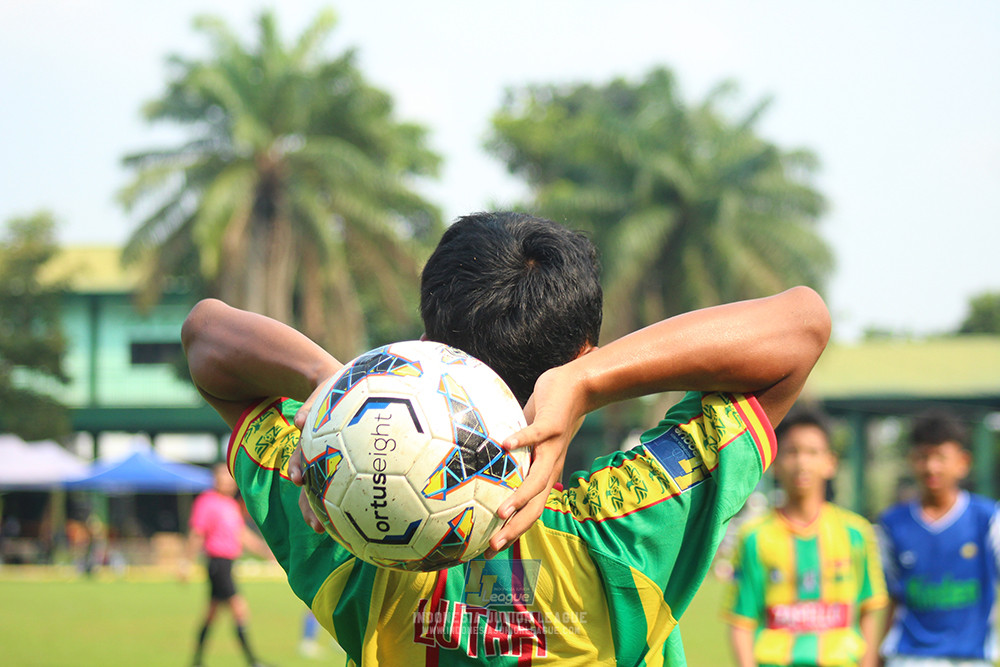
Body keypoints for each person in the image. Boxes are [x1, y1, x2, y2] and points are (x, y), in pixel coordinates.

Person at [181, 211, 831, 664]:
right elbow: (802, 324)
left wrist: (343, 390)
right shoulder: (629, 525)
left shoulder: (343, 533)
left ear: (431, 345)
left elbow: (205, 334)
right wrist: (589, 380)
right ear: (584, 347)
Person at [724, 409, 888, 667]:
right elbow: (742, 621)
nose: (802, 463)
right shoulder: (754, 536)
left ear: (830, 463)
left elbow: (868, 610)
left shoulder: (857, 532)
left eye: (812, 452)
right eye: (792, 452)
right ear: (775, 464)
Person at [877, 410, 1000, 667]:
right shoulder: (891, 523)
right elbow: (888, 597)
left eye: (941, 457)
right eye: (924, 457)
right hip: (908, 657)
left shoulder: (988, 519)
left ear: (963, 462)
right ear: (912, 460)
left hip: (971, 657)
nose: (932, 467)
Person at [182, 462, 274, 667]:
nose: (227, 480)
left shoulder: (231, 505)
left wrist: (266, 552)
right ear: (215, 479)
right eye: (222, 475)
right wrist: (186, 563)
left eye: (229, 476)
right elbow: (197, 533)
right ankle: (253, 661)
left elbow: (242, 535)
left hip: (227, 564)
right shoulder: (207, 502)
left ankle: (196, 661)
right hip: (218, 564)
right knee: (240, 610)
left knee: (211, 614)